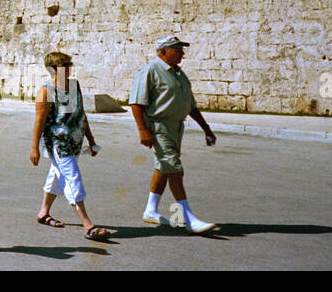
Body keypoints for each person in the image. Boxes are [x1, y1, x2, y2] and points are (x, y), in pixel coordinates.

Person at [128, 36, 217, 233]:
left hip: (176, 127)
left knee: (164, 167)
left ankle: (150, 210)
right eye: (177, 49)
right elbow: (136, 103)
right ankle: (188, 218)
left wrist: (206, 129)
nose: (182, 54)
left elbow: (191, 106)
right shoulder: (150, 70)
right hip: (159, 127)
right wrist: (143, 130)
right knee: (174, 168)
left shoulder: (179, 74)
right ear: (163, 51)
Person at [29, 51, 111, 241]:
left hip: (75, 141)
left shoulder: (74, 86)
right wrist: (34, 148)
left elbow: (81, 115)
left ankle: (43, 212)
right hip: (57, 143)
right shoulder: (46, 91)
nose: (67, 68)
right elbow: (39, 121)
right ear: (52, 69)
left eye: (68, 64)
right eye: (62, 66)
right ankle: (87, 225)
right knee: (72, 177)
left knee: (56, 175)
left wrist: (91, 139)